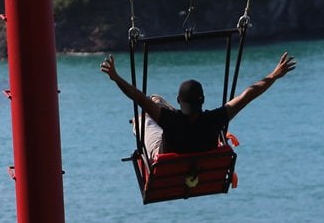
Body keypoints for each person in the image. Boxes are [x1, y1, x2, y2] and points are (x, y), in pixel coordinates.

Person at [100, 51, 297, 160]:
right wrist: (273, 76)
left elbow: (137, 97)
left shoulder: (170, 120)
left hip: (164, 154)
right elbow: (247, 96)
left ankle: (140, 121)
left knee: (145, 118)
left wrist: (116, 78)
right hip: (199, 155)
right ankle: (157, 103)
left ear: (179, 101)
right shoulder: (216, 119)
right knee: (153, 102)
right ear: (202, 100)